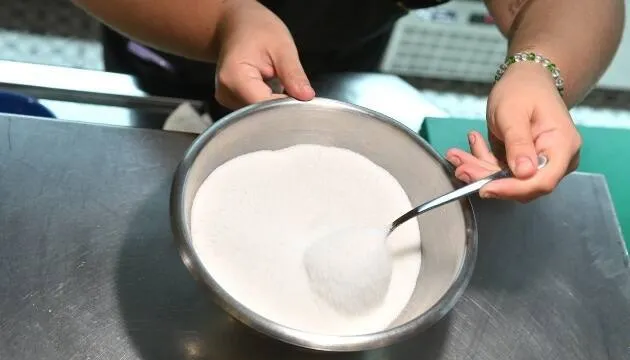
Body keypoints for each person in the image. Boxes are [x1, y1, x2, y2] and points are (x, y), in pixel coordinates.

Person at [73, 0, 624, 202]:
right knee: (165, 141)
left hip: (342, 46)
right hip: (177, 29)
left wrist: (540, 65)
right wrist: (221, 21)